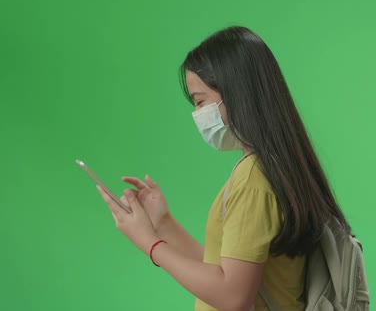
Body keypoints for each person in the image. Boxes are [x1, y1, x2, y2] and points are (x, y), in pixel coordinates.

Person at [96, 26, 352, 311]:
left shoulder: (254, 180)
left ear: (236, 94)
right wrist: (164, 224)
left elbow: (233, 297)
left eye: (200, 101)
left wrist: (149, 243)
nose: (197, 115)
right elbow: (228, 270)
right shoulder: (277, 168)